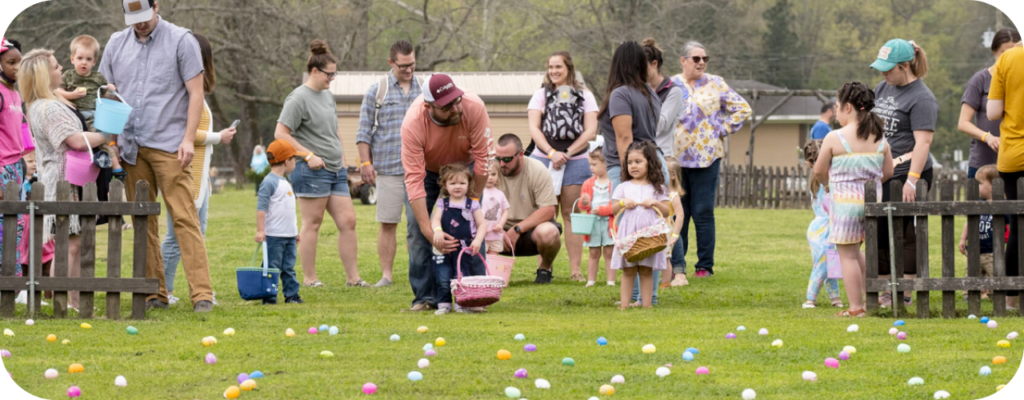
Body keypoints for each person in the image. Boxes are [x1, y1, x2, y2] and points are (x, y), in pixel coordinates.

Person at [100, 0, 215, 312]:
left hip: (170, 146)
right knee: (143, 222)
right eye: (133, 18)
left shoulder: (181, 40)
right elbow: (108, 97)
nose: (140, 24)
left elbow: (196, 93)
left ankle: (202, 295)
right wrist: (111, 144)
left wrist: (189, 139)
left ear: (156, 6)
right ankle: (155, 294)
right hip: (130, 148)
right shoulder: (115, 44)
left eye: (145, 16)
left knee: (184, 217)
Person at [21, 49, 112, 311]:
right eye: (56, 66)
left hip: (65, 179)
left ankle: (72, 301)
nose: (62, 69)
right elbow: (73, 141)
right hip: (65, 182)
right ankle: (67, 303)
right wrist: (106, 135)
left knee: (73, 244)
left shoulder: (45, 103)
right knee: (70, 246)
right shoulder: (48, 108)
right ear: (42, 74)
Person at [275, 40, 366, 288]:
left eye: (334, 74)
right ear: (315, 71)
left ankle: (354, 279)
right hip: (311, 170)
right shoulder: (297, 98)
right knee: (312, 223)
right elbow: (281, 133)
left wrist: (343, 159)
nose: (332, 78)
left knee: (348, 221)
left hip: (335, 169)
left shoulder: (327, 96)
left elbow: (333, 129)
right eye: (329, 74)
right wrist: (307, 155)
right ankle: (310, 279)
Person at [401, 73, 492, 311]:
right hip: (428, 173)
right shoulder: (413, 122)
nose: (455, 108)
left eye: (456, 100)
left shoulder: (473, 108)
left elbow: (483, 160)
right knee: (417, 231)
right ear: (428, 106)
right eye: (447, 106)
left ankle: (475, 294)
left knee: (471, 228)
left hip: (466, 170)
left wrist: (472, 202)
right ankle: (426, 297)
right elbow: (414, 179)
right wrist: (428, 230)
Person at [161, 33, 236, 305]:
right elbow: (186, 134)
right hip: (184, 174)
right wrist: (219, 136)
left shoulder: (196, 93)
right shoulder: (182, 91)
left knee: (196, 234)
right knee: (175, 237)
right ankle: (163, 290)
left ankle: (194, 290)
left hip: (199, 177)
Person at [670, 41, 752, 280]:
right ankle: (678, 265)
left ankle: (704, 266)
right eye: (696, 59)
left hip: (707, 158)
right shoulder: (671, 85)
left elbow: (743, 109)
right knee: (679, 212)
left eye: (705, 58)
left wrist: (721, 129)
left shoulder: (716, 83)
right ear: (683, 60)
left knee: (703, 212)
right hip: (675, 160)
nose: (702, 62)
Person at [813, 82, 894, 318]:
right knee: (860, 252)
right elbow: (887, 172)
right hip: (872, 202)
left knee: (846, 255)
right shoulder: (880, 137)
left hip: (845, 203)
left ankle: (857, 307)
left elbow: (819, 171)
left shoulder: (834, 137)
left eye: (838, 106)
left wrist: (828, 185)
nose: (836, 112)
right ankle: (872, 300)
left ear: (848, 107)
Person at [870, 38, 938, 308]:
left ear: (905, 65)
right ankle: (886, 290)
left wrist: (912, 180)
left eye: (889, 68)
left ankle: (907, 292)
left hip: (910, 172)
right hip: (884, 172)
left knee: (907, 233)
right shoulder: (882, 88)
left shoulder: (922, 98)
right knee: (879, 231)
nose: (883, 73)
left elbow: (923, 143)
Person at [526, 51, 598, 281]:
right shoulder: (540, 95)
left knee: (570, 214)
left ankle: (576, 271)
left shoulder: (585, 95)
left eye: (558, 66)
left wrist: (566, 153)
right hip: (543, 158)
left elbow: (590, 131)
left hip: (575, 161)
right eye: (550, 67)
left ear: (569, 68)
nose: (554, 71)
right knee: (545, 214)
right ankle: (544, 268)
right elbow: (534, 128)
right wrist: (551, 152)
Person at [356, 40, 421, 287]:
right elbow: (364, 132)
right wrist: (365, 162)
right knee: (388, 223)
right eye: (403, 65)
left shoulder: (425, 89)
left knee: (419, 226)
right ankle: (387, 276)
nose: (408, 69)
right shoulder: (377, 90)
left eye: (412, 64)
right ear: (391, 62)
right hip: (388, 169)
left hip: (419, 171)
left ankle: (420, 273)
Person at [53, 35, 126, 180]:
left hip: (93, 116)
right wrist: (72, 94)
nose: (83, 63)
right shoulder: (69, 76)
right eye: (79, 58)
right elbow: (58, 91)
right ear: (72, 59)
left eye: (88, 59)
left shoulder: (97, 77)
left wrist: (111, 89)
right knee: (78, 143)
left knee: (102, 141)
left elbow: (105, 96)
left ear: (94, 61)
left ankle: (116, 168)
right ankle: (81, 167)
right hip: (74, 115)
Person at [610, 141, 671, 309]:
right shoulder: (623, 187)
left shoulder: (657, 188)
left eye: (638, 162)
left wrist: (655, 203)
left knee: (646, 269)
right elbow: (614, 210)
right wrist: (623, 202)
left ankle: (647, 305)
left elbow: (666, 212)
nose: (633, 166)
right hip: (629, 233)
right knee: (628, 270)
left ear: (649, 163)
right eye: (630, 162)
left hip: (649, 236)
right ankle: (624, 305)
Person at [987, 37, 1024, 310]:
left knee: (1019, 228)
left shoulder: (1007, 59)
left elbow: (992, 112)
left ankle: (1011, 301)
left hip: (1013, 155)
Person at [494, 134, 561, 283]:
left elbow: (549, 210)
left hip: (531, 230)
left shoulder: (537, 169)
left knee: (549, 233)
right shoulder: (490, 170)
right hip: (497, 229)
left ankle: (544, 269)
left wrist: (518, 229)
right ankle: (487, 271)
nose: (501, 164)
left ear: (520, 155)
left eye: (506, 159)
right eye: (498, 159)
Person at [598, 41, 663, 190]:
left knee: (628, 214)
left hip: (634, 170)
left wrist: (628, 178)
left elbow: (624, 138)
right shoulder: (649, 91)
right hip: (655, 164)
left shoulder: (620, 94)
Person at [960, 29, 1021, 178]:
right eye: (1004, 52)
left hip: (1016, 161)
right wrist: (988, 137)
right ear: (994, 51)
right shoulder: (980, 80)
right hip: (983, 163)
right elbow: (963, 123)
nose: (1009, 57)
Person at [430, 164, 488, 315]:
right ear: (445, 185)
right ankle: (444, 305)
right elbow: (435, 219)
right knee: (443, 276)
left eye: (462, 183)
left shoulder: (473, 204)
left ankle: (462, 304)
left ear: (469, 184)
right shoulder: (443, 203)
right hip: (443, 247)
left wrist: (478, 240)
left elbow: (482, 224)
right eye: (453, 183)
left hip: (464, 248)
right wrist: (437, 231)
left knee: (462, 275)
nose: (458, 187)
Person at [255, 139, 302, 305]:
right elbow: (261, 208)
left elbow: (289, 211)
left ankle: (292, 296)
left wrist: (294, 231)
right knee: (272, 268)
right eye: (295, 159)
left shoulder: (286, 182)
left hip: (288, 235)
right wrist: (261, 231)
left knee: (289, 267)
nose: (295, 163)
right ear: (287, 161)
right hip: (274, 235)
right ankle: (269, 296)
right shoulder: (269, 182)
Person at [801, 140, 842, 309]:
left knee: (833, 265)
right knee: (823, 264)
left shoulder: (824, 178)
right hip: (822, 229)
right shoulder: (823, 181)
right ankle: (811, 298)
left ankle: (835, 298)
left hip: (829, 226)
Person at [958, 165, 1003, 300]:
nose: (976, 186)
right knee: (972, 273)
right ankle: (970, 294)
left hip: (992, 251)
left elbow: (1009, 224)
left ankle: (993, 294)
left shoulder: (1001, 204)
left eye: (980, 183)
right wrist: (962, 238)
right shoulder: (977, 204)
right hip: (974, 250)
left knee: (994, 274)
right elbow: (969, 222)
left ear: (992, 186)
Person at [0, 36, 24, 276]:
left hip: (17, 167)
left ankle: (13, 281)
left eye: (19, 61)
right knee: (2, 225)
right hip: (2, 169)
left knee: (16, 225)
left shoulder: (16, 94)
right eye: (10, 62)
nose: (16, 67)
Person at [578, 147, 616, 287]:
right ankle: (591, 281)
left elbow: (617, 206)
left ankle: (611, 281)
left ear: (605, 164)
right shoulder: (588, 184)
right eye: (590, 164)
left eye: (594, 165)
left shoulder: (613, 183)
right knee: (593, 252)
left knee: (609, 252)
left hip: (608, 223)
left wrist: (603, 211)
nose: (591, 168)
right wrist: (585, 202)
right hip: (593, 224)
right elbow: (583, 206)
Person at [642, 38, 683, 158]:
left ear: (654, 64)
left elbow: (661, 126)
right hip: (639, 156)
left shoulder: (673, 91)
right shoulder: (639, 89)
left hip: (661, 156)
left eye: (642, 67)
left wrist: (648, 93)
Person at [659, 158, 686, 289]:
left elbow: (680, 215)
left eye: (663, 170)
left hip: (666, 230)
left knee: (665, 257)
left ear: (673, 175)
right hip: (656, 229)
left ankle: (666, 282)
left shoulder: (673, 196)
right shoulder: (658, 193)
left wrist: (675, 235)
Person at [483, 163, 510, 256]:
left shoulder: (500, 194)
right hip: (481, 235)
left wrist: (501, 224)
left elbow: (505, 211)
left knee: (493, 263)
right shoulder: (478, 192)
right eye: (487, 174)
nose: (490, 177)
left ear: (498, 175)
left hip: (496, 235)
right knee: (481, 262)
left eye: (493, 174)